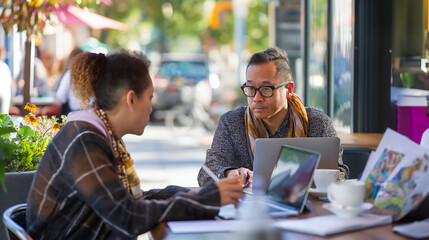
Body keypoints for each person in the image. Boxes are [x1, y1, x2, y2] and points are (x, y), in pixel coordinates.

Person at [26, 50, 244, 239]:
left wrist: (188, 194)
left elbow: (126, 199)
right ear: (131, 99)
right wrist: (207, 199)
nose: (151, 107)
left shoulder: (98, 132)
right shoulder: (85, 140)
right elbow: (127, 215)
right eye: (149, 97)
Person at [197, 47, 349, 188]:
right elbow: (206, 174)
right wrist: (228, 173)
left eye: (265, 89)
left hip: (304, 211)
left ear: (288, 89)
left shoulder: (317, 123)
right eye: (250, 88)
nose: (256, 98)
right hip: (248, 211)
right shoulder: (232, 123)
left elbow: (340, 173)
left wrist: (328, 176)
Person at [0, 48, 12, 114]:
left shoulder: (5, 66)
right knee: (3, 117)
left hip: (4, 94)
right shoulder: (5, 66)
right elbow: (10, 83)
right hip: (4, 94)